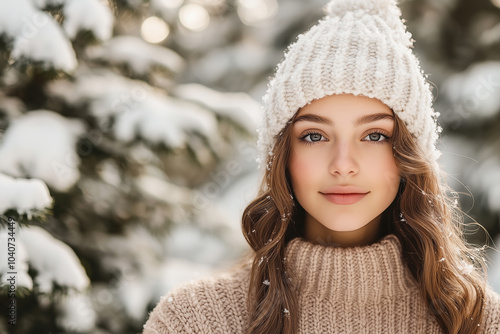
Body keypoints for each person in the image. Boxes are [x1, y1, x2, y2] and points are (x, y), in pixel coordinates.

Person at [142, 0, 500, 333]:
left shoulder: (476, 320)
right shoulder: (195, 320)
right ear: (282, 156)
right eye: (314, 136)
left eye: (375, 136)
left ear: (410, 155)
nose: (343, 166)